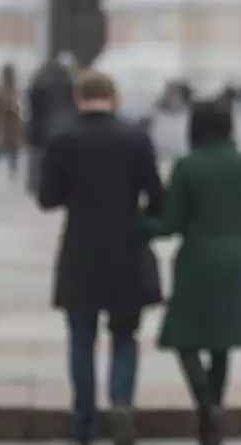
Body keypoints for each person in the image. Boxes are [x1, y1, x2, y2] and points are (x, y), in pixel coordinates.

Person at [38, 70, 164, 445]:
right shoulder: (136, 138)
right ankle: (122, 404)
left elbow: (48, 199)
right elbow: (157, 196)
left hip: (80, 250)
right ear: (115, 97)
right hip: (126, 249)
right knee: (125, 336)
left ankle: (84, 420)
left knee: (81, 340)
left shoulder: (62, 140)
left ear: (79, 98)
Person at [143, 100, 241, 445]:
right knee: (221, 341)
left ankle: (205, 404)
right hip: (236, 257)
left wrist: (137, 226)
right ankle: (214, 409)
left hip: (197, 258)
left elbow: (168, 224)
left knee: (183, 337)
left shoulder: (188, 166)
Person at [26, 53, 78, 196]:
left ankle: (36, 183)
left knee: (39, 156)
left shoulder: (40, 80)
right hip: (56, 125)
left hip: (41, 125)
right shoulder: (67, 82)